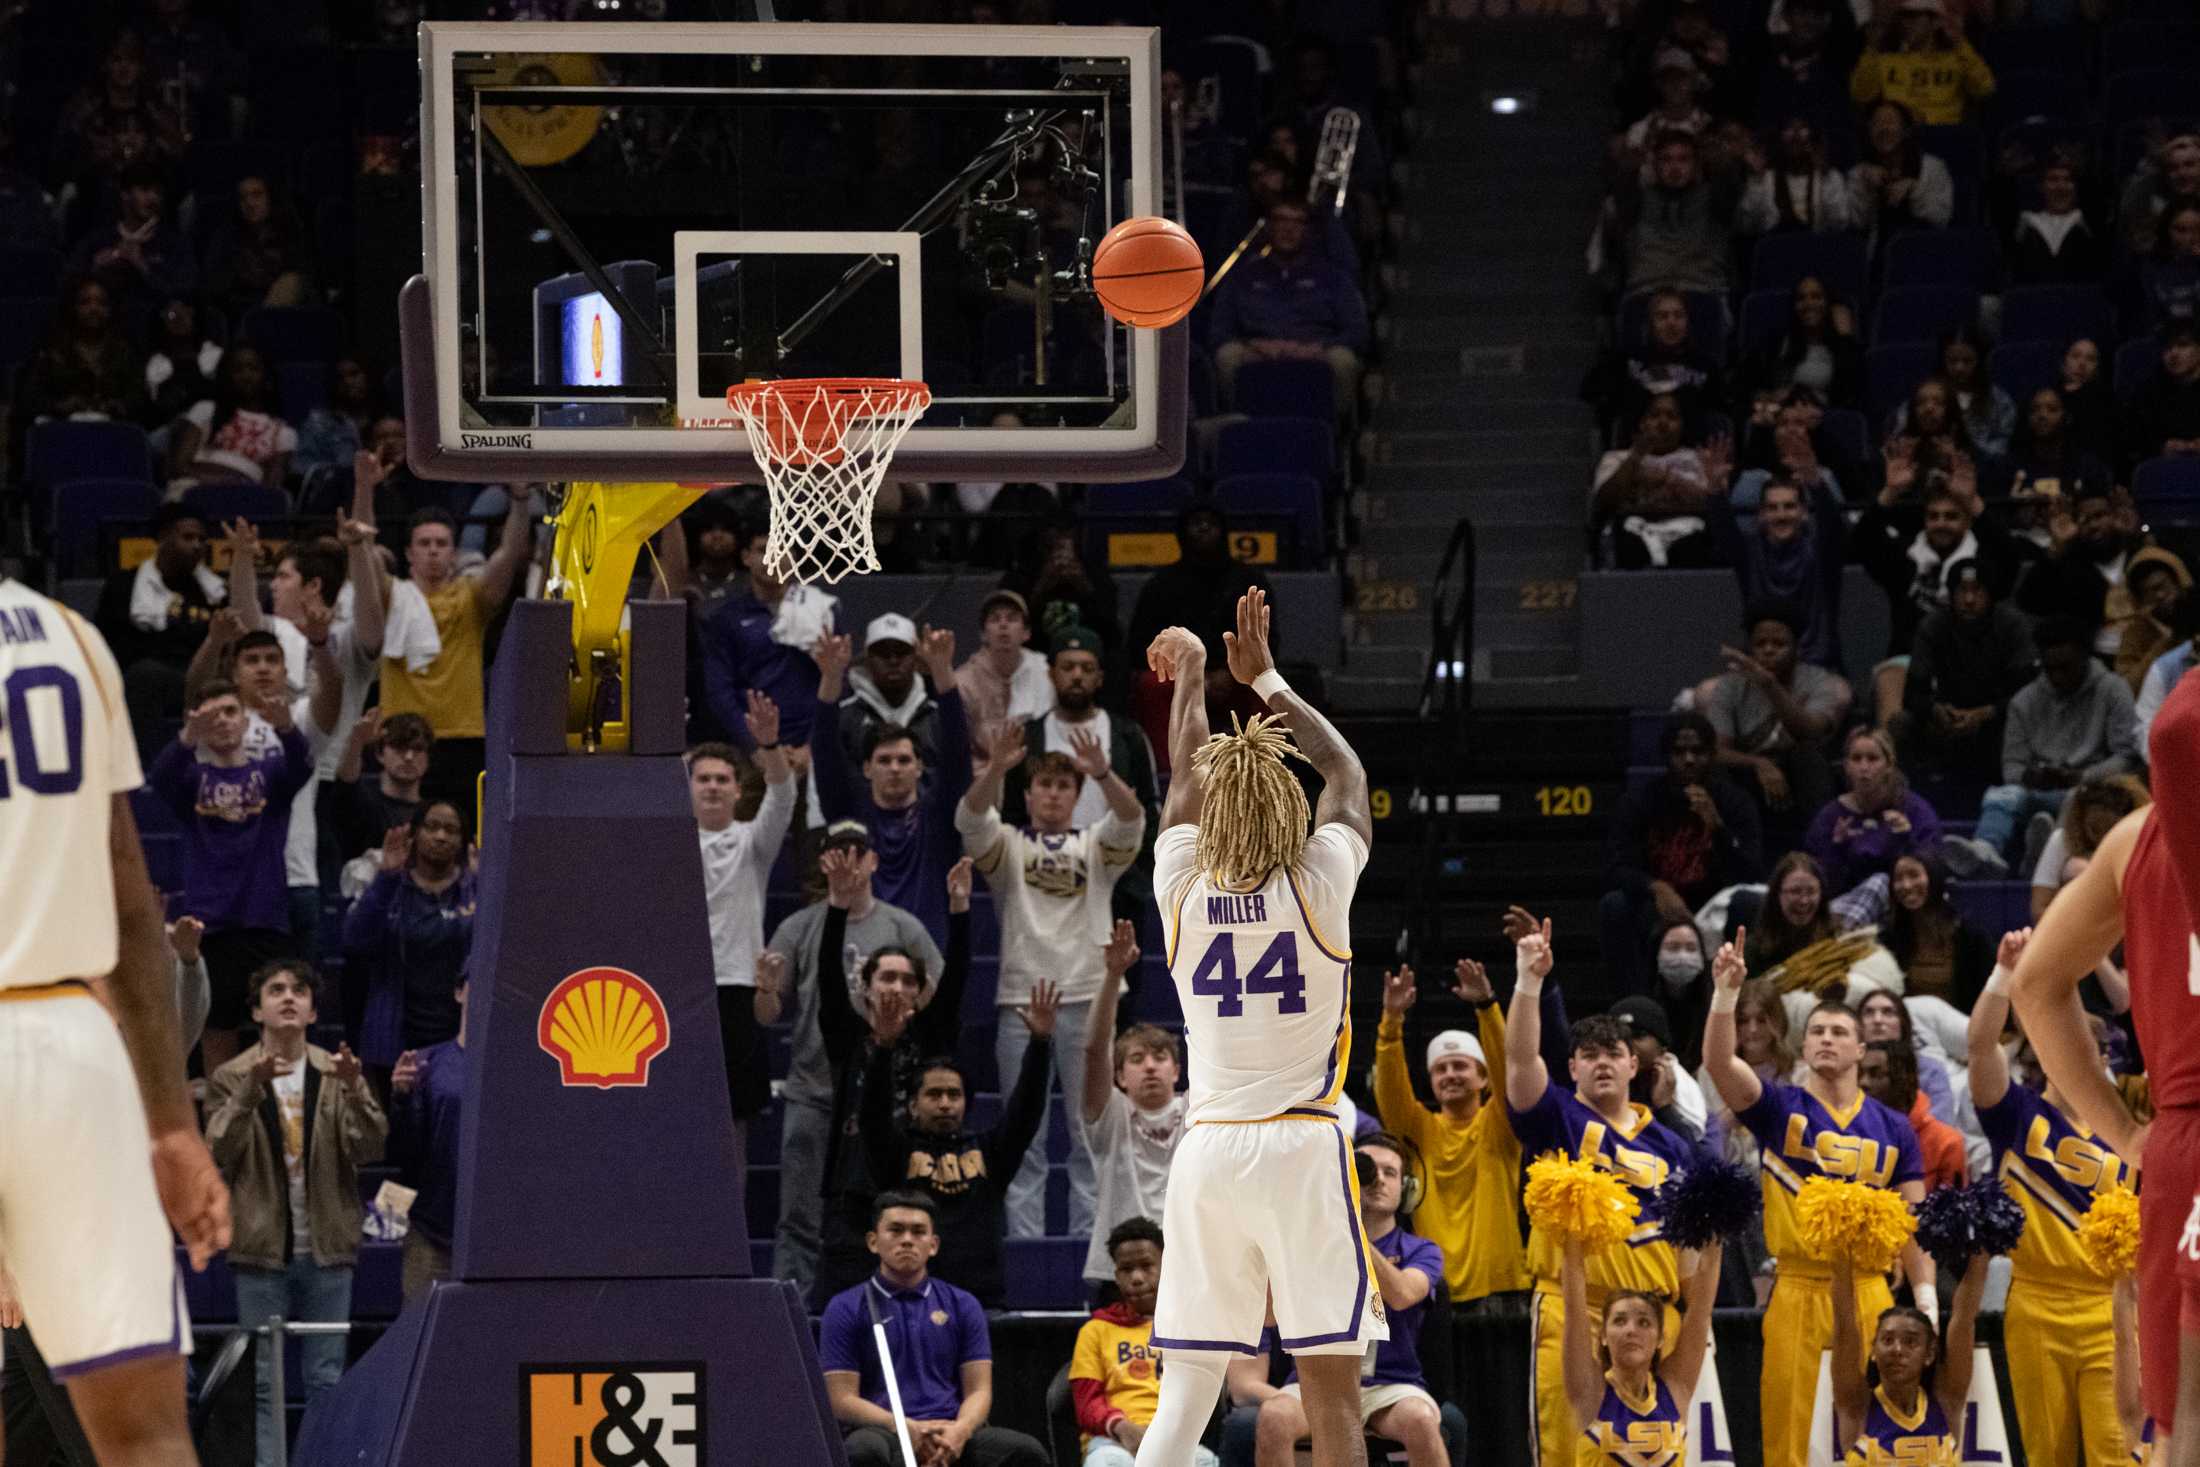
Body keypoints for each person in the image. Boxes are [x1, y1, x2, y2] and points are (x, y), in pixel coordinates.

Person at [1132, 589, 1377, 1467]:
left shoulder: (1182, 890)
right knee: (1334, 1398)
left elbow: (1182, 780)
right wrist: (1263, 676)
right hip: (1298, 1147)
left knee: (1185, 1395)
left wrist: (1192, 677)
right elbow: (1344, 772)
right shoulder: (1319, 881)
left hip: (1205, 1151)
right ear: (1286, 807)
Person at [0, 571, 231, 1466]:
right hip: (69, 1042)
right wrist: (172, 1127)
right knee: (147, 1440)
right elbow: (134, 909)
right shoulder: (68, 638)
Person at [2011, 665, 2200, 1467]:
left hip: (2180, 1148)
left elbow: (2036, 985)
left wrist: (2126, 1134)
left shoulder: (2133, 839)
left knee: (2176, 1423)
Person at [1702, 931, 1935, 1467]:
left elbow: (1913, 1221)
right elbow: (1719, 1063)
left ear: (1860, 1049)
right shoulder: (1777, 1107)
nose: (1827, 1039)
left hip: (1872, 1290)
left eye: (1839, 1032)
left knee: (1875, 1435)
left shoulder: (1895, 1128)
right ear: (1804, 1048)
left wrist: (1924, 1298)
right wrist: (1724, 995)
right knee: (1791, 1435)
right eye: (1818, 1032)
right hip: (1798, 1290)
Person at [1502, 921, 1701, 1467]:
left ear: (1634, 1065)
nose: (1602, 1061)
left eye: (1613, 1052)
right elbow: (1520, 1062)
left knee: (1653, 1452)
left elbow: (1687, 1249)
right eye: (1588, 1054)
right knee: (1568, 1450)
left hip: (1655, 1315)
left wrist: (1688, 1312)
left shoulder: (1672, 1145)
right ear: (1572, 1069)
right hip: (1575, 1307)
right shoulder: (1555, 1118)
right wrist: (1528, 980)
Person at [959, 716, 1145, 1241]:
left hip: (1089, 996)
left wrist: (1105, 774)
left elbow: (1132, 821)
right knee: (1025, 1134)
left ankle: (1090, 1250)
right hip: (1022, 999)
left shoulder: (1095, 846)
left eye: (1065, 786)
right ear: (1030, 791)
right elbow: (969, 818)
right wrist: (995, 767)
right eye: (1045, 784)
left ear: (1076, 794)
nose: (1053, 795)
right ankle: (1023, 1248)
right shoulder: (1009, 848)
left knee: (1089, 1133)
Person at [202, 961, 384, 1467]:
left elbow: (368, 1148)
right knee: (264, 1382)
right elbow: (218, 1150)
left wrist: (356, 1088)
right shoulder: (230, 1076)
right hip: (261, 1251)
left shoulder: (338, 1070)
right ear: (257, 1009)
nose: (288, 997)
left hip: (328, 1248)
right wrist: (248, 1092)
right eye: (275, 990)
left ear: (312, 1011)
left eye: (299, 991)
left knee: (327, 1379)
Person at [1968, 929, 2139, 1467]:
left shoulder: (2128, 1123)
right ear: (2043, 1049)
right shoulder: (2015, 1112)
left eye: (2093, 1045)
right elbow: (1979, 1045)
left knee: (2120, 1450)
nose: (2081, 1052)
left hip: (2113, 1303)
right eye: (2064, 1040)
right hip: (2036, 1302)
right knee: (2048, 1454)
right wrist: (2003, 974)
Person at [765, 825, 946, 1296]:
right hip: (812, 1088)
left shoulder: (903, 927)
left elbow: (940, 994)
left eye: (857, 852)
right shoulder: (799, 926)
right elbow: (768, 1012)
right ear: (823, 864)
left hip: (883, 1099)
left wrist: (895, 1021)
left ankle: (878, 1298)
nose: (847, 861)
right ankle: (795, 1308)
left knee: (879, 1207)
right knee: (798, 1214)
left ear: (873, 862)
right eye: (836, 852)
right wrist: (764, 989)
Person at [807, 849, 974, 1308]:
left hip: (915, 1187)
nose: (896, 988)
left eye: (907, 981)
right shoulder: (848, 1035)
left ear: (919, 995)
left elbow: (957, 978)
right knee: (836, 1306)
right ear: (867, 988)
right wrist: (838, 906)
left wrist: (959, 912)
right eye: (886, 978)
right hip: (853, 1189)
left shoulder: (931, 1035)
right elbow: (826, 976)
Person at [1232, 1133, 1451, 1467]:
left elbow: (1403, 1294)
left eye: (1390, 1172)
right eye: (1365, 1169)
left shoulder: (1421, 1250)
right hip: (1314, 1383)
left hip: (1391, 1387)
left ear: (1406, 1190)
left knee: (1421, 1420)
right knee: (1274, 1417)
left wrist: (1348, 1225)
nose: (1377, 1179)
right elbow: (1269, 1318)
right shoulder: (1309, 1242)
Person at [149, 677, 312, 1072]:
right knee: (215, 1029)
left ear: (244, 720)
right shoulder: (191, 780)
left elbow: (302, 764)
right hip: (211, 922)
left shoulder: (270, 775)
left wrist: (286, 726)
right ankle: (220, 1127)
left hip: (265, 917)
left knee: (278, 1032)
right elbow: (160, 777)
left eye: (229, 711)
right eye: (211, 714)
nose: (221, 721)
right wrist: (189, 736)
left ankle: (276, 1126)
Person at [860, 984, 1057, 1308]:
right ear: (912, 1104)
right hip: (912, 1297)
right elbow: (872, 1117)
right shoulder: (896, 1152)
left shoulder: (990, 1151)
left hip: (982, 1300)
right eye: (934, 1095)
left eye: (954, 1095)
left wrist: (1039, 1044)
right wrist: (883, 1047)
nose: (945, 1103)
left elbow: (1026, 1113)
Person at [817, 1193, 1049, 1467]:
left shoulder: (963, 1304)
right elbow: (841, 1399)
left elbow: (979, 1391)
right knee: (862, 1452)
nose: (907, 1239)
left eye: (918, 1232)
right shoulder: (845, 1307)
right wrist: (901, 1426)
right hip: (883, 1431)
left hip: (951, 1430)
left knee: (1026, 1452)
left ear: (933, 1245)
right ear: (873, 1242)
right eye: (895, 1230)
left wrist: (960, 1431)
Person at [1372, 958, 1530, 1311]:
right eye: (1440, 1069)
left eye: (1461, 1066)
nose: (1450, 1074)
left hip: (1501, 1293)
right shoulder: (1419, 1131)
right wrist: (1391, 1022)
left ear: (1483, 1078)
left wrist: (1486, 1007)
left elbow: (1510, 1070)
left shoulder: (1499, 1123)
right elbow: (1391, 1090)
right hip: (1430, 1290)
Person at [1945, 617, 2141, 876]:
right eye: (2050, 669)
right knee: (2003, 794)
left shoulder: (2113, 690)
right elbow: (2011, 765)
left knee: (2076, 797)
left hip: (2090, 789)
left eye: (2066, 667)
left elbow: (2127, 756)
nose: (2058, 677)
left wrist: (2081, 776)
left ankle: (2046, 857)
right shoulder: (2024, 701)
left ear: (2084, 657)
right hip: (2037, 790)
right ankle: (1986, 851)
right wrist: (2031, 776)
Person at [813, 624, 971, 942]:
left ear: (919, 767)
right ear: (867, 768)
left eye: (904, 760)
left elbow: (957, 752)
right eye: (884, 761)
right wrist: (831, 678)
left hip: (928, 956)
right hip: (864, 958)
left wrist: (942, 671)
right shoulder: (850, 811)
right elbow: (825, 753)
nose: (895, 768)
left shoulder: (940, 814)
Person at [378, 493, 539, 806]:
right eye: (424, 544)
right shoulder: (392, 597)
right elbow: (364, 562)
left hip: (462, 739)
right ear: (409, 553)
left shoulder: (471, 598)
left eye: (441, 543)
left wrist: (519, 501)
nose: (433, 551)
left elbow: (508, 554)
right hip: (401, 738)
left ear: (454, 553)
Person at [1599, 711, 1764, 994]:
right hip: (1659, 904)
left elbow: (1751, 870)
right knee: (1615, 905)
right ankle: (1634, 1004)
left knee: (1752, 903)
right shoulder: (1641, 801)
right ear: (1666, 755)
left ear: (1711, 755)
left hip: (1715, 902)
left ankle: (1742, 999)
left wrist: (1718, 828)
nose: (1688, 759)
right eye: (1679, 751)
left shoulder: (1733, 801)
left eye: (1697, 751)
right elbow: (1615, 866)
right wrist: (1655, 887)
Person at [691, 699, 796, 1129]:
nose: (713, 787)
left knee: (735, 1123)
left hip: (738, 987)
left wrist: (769, 744)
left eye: (722, 779)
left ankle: (735, 1201)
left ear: (738, 789)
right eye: (703, 779)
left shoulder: (754, 844)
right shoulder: (666, 845)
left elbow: (784, 794)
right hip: (684, 989)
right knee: (683, 1120)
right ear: (688, 786)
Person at [1079, 923, 1186, 1295]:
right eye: (1137, 1059)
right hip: (1118, 1272)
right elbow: (1094, 1050)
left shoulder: (1197, 1110)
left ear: (1177, 1070)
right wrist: (1112, 976)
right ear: (1120, 1076)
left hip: (1186, 1265)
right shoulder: (1112, 1112)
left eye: (1160, 1057)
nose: (1151, 1066)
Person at [341, 800, 475, 1090]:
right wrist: (387, 878)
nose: (441, 836)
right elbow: (355, 942)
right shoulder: (391, 886)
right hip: (395, 1037)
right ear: (414, 835)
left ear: (463, 841)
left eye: (451, 830)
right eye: (432, 827)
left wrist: (483, 882)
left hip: (457, 1039)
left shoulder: (473, 890)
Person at [1206, 194, 1372, 421]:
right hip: (1258, 349)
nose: (1288, 229)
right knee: (1227, 356)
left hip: (1316, 348)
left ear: (1309, 229)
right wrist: (1253, 345)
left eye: (1296, 222)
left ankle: (1338, 430)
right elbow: (1219, 330)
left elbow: (1357, 331)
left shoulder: (1333, 277)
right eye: (1281, 220)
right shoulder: (1242, 276)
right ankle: (1238, 423)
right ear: (1269, 226)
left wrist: (1318, 347)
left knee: (1343, 360)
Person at [1558, 1236, 1720, 1465]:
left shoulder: (1675, 1389)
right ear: (1603, 1335)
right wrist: (1571, 1225)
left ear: (1660, 1339)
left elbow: (1702, 1307)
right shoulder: (1589, 1392)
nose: (1631, 1331)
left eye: (1644, 1322)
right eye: (1619, 1321)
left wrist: (1718, 1229)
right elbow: (1573, 1302)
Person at [1697, 600, 1853, 836]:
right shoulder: (1730, 686)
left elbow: (1811, 733)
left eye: (1779, 643)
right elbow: (1717, 751)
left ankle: (1820, 849)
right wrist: (1759, 763)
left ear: (1797, 648)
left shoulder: (1820, 682)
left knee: (1808, 756)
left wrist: (1769, 685)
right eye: (1760, 644)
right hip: (1751, 779)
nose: (1768, 650)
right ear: (1750, 648)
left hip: (1802, 779)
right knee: (1717, 770)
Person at [1072, 1219, 1216, 1467]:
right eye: (1127, 1269)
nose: (1137, 1278)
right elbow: (1086, 1403)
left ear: (1166, 1266)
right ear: (1116, 1276)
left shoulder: (1187, 1327)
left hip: (1177, 1439)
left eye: (1147, 1266)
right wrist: (1121, 1427)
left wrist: (1167, 1436)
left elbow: (1201, 1394)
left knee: (1204, 1462)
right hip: (1114, 1440)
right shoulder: (1095, 1330)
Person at [1829, 1246, 1989, 1463]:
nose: (1897, 1350)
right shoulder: (1857, 1407)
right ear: (1873, 1350)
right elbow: (1844, 1323)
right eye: (1887, 1340)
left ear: (1929, 1354)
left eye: (1910, 1342)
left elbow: (1964, 1319)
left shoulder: (1946, 1402)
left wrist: (1982, 1249)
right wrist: (1840, 1245)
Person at [96, 501, 223, 752]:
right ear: (163, 537)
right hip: (146, 678)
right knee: (146, 675)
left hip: (201, 677)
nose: (197, 545)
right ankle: (140, 768)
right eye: (188, 537)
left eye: (201, 539)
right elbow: (106, 645)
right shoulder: (125, 585)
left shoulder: (214, 592)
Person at [1896, 561, 2035, 785]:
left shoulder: (2012, 625)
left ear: (1990, 594)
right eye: (1962, 591)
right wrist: (1935, 709)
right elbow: (1911, 694)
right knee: (1901, 723)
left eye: (1977, 590)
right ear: (1950, 595)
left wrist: (1986, 713)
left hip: (2000, 718)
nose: (1969, 600)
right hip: (1949, 719)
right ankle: (1905, 798)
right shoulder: (1933, 625)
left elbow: (2029, 693)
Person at [1711, 471, 1847, 669]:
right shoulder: (1749, 552)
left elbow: (1833, 526)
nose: (1781, 515)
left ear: (1803, 512)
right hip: (1761, 668)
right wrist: (1715, 490)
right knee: (1704, 694)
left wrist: (1815, 482)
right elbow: (1725, 532)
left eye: (1789, 507)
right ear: (1761, 514)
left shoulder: (1821, 554)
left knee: (1841, 695)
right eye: (1772, 508)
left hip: (1815, 667)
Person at [389, 973, 468, 1303]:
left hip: (498, 1236)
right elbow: (403, 1153)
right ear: (459, 992)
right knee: (420, 1337)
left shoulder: (516, 1066)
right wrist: (402, 1097)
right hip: (431, 1231)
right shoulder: (425, 1063)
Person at [1590, 394, 1726, 570]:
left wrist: (1668, 479)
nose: (1663, 422)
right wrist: (1635, 458)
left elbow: (1714, 506)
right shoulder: (1616, 458)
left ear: (1681, 425)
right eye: (1654, 415)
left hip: (1691, 534)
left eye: (1671, 416)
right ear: (1642, 423)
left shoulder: (1699, 459)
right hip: (1630, 533)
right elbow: (1604, 502)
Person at [1804, 727, 1943, 899]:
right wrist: (1837, 846)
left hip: (1902, 902)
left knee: (1879, 882)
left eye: (1872, 759)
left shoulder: (1914, 810)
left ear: (1889, 765)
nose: (1864, 767)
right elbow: (1817, 881)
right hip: (1844, 903)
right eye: (1856, 759)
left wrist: (1906, 840)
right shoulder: (1830, 816)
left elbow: (1932, 871)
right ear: (1846, 766)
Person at [1125, 503, 1273, 663]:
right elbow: (1141, 642)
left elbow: (1266, 638)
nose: (1204, 528)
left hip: (1236, 672)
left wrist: (1229, 673)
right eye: (1196, 522)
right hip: (1175, 672)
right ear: (1182, 532)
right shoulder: (1160, 584)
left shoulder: (1249, 581)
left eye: (1212, 523)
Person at [1582, 286, 1727, 447]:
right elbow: (1590, 392)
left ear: (1688, 323)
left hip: (1689, 457)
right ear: (1651, 324)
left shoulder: (1705, 365)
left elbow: (1722, 412)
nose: (1671, 323)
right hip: (1636, 456)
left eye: (1678, 316)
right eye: (1662, 316)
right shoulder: (1626, 360)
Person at [2018, 484, 2153, 654]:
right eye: (2085, 520)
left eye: (2100, 515)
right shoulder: (2071, 566)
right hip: (2094, 661)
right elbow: (2029, 602)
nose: (2094, 525)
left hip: (2149, 655)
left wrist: (2138, 536)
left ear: (2116, 515)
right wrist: (2056, 549)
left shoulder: (2138, 552)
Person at [1610, 130, 1745, 297]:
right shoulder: (1638, 201)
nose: (1675, 167)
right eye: (1666, 159)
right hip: (1647, 295)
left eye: (1684, 159)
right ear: (1654, 164)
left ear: (1696, 164)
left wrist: (1720, 161)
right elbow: (1623, 188)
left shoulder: (1714, 200)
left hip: (1703, 293)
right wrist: (1628, 167)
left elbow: (1729, 186)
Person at [67, 160, 196, 320]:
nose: (153, 198)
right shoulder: (97, 240)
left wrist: (142, 266)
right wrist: (95, 268)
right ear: (125, 194)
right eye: (145, 190)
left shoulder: (174, 243)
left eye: (158, 192)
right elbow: (69, 285)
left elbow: (184, 292)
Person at [16, 275, 148, 426]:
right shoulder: (52, 350)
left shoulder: (125, 351)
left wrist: (116, 407)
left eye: (102, 303)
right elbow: (31, 398)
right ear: (73, 307)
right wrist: (60, 406)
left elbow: (138, 398)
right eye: (85, 302)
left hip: (113, 428)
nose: (94, 309)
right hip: (62, 427)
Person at [1734, 278, 1865, 428]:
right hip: (1779, 421)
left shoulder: (1841, 349)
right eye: (1801, 298)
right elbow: (1745, 386)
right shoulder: (1776, 344)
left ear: (1828, 304)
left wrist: (1845, 340)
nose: (1808, 304)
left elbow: (1851, 395)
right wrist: (1764, 396)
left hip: (1822, 424)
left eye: (1816, 297)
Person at [1848, 0, 1994, 126]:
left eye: (1914, 17)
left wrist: (1960, 44)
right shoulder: (1887, 60)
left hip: (1944, 136)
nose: (1906, 24)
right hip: (1903, 138)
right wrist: (1872, 49)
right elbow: (1860, 95)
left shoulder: (1956, 58)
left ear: (1935, 22)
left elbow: (1985, 89)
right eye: (1903, 18)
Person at [2032, 775, 2153, 921]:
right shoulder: (2062, 840)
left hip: (2127, 927)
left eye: (2111, 829)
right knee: (2077, 868)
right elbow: (2039, 909)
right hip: (2074, 929)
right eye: (2095, 830)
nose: (2103, 839)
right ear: (2080, 822)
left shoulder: (2147, 843)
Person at [1881, 854, 1994, 1008]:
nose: (1906, 885)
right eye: (1898, 879)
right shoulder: (1889, 938)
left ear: (1934, 878)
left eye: (1914, 875)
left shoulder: (1970, 936)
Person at [834, 614, 946, 770]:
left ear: (916, 657)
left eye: (901, 651)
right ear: (868, 659)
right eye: (883, 652)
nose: (893, 660)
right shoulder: (844, 718)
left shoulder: (937, 717)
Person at [955, 589, 1053, 765]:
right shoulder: (963, 681)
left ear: (1026, 633)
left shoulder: (1045, 671)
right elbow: (960, 749)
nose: (1003, 624)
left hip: (1035, 770)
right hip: (982, 773)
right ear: (983, 634)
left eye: (1012, 618)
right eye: (995, 619)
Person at [201, 173, 312, 318]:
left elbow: (301, 275)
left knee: (291, 283)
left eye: (257, 195)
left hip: (287, 312)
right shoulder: (226, 237)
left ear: (270, 198)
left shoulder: (289, 232)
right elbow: (215, 285)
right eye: (243, 198)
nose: (250, 203)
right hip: (241, 309)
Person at [1849, 100, 1955, 248]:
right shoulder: (1858, 173)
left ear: (1906, 130)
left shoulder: (1932, 168)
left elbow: (1941, 218)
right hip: (1877, 255)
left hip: (1925, 250)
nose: (1884, 128)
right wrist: (1866, 188)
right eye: (1877, 123)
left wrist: (1913, 190)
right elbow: (1856, 222)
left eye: (1891, 122)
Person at [1861, 1040, 1963, 1189]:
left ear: (1905, 1079)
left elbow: (1954, 1209)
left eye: (1876, 1074)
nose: (1863, 1083)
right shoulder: (1843, 1130)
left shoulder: (1946, 1142)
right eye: (1858, 1074)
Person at [1608, 994, 1710, 1141]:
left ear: (1662, 1049)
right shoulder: (1598, 1089)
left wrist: (1665, 1108)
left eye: (1638, 1035)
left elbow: (1691, 1158)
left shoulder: (1692, 1107)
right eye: (1619, 1037)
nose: (1627, 1045)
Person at [1737, 114, 1858, 236]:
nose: (1795, 136)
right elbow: (1747, 225)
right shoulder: (1765, 178)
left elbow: (1839, 223)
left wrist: (1826, 177)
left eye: (1802, 129)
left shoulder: (1829, 176)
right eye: (1789, 129)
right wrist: (1757, 180)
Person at [2121, 321, 2200, 474]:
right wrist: (2162, 447)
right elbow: (2132, 441)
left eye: (2183, 345)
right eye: (2167, 348)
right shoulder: (2146, 393)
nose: (2174, 353)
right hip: (2162, 473)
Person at [2012, 159, 2106, 285]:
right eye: (2053, 179)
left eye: (2067, 180)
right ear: (2041, 187)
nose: (2061, 187)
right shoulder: (2026, 223)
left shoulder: (2086, 223)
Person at [2117, 550, 2193, 695]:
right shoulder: (2135, 633)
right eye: (2148, 593)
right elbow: (2126, 690)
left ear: (2179, 583)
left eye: (2162, 586)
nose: (2159, 596)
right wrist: (2163, 644)